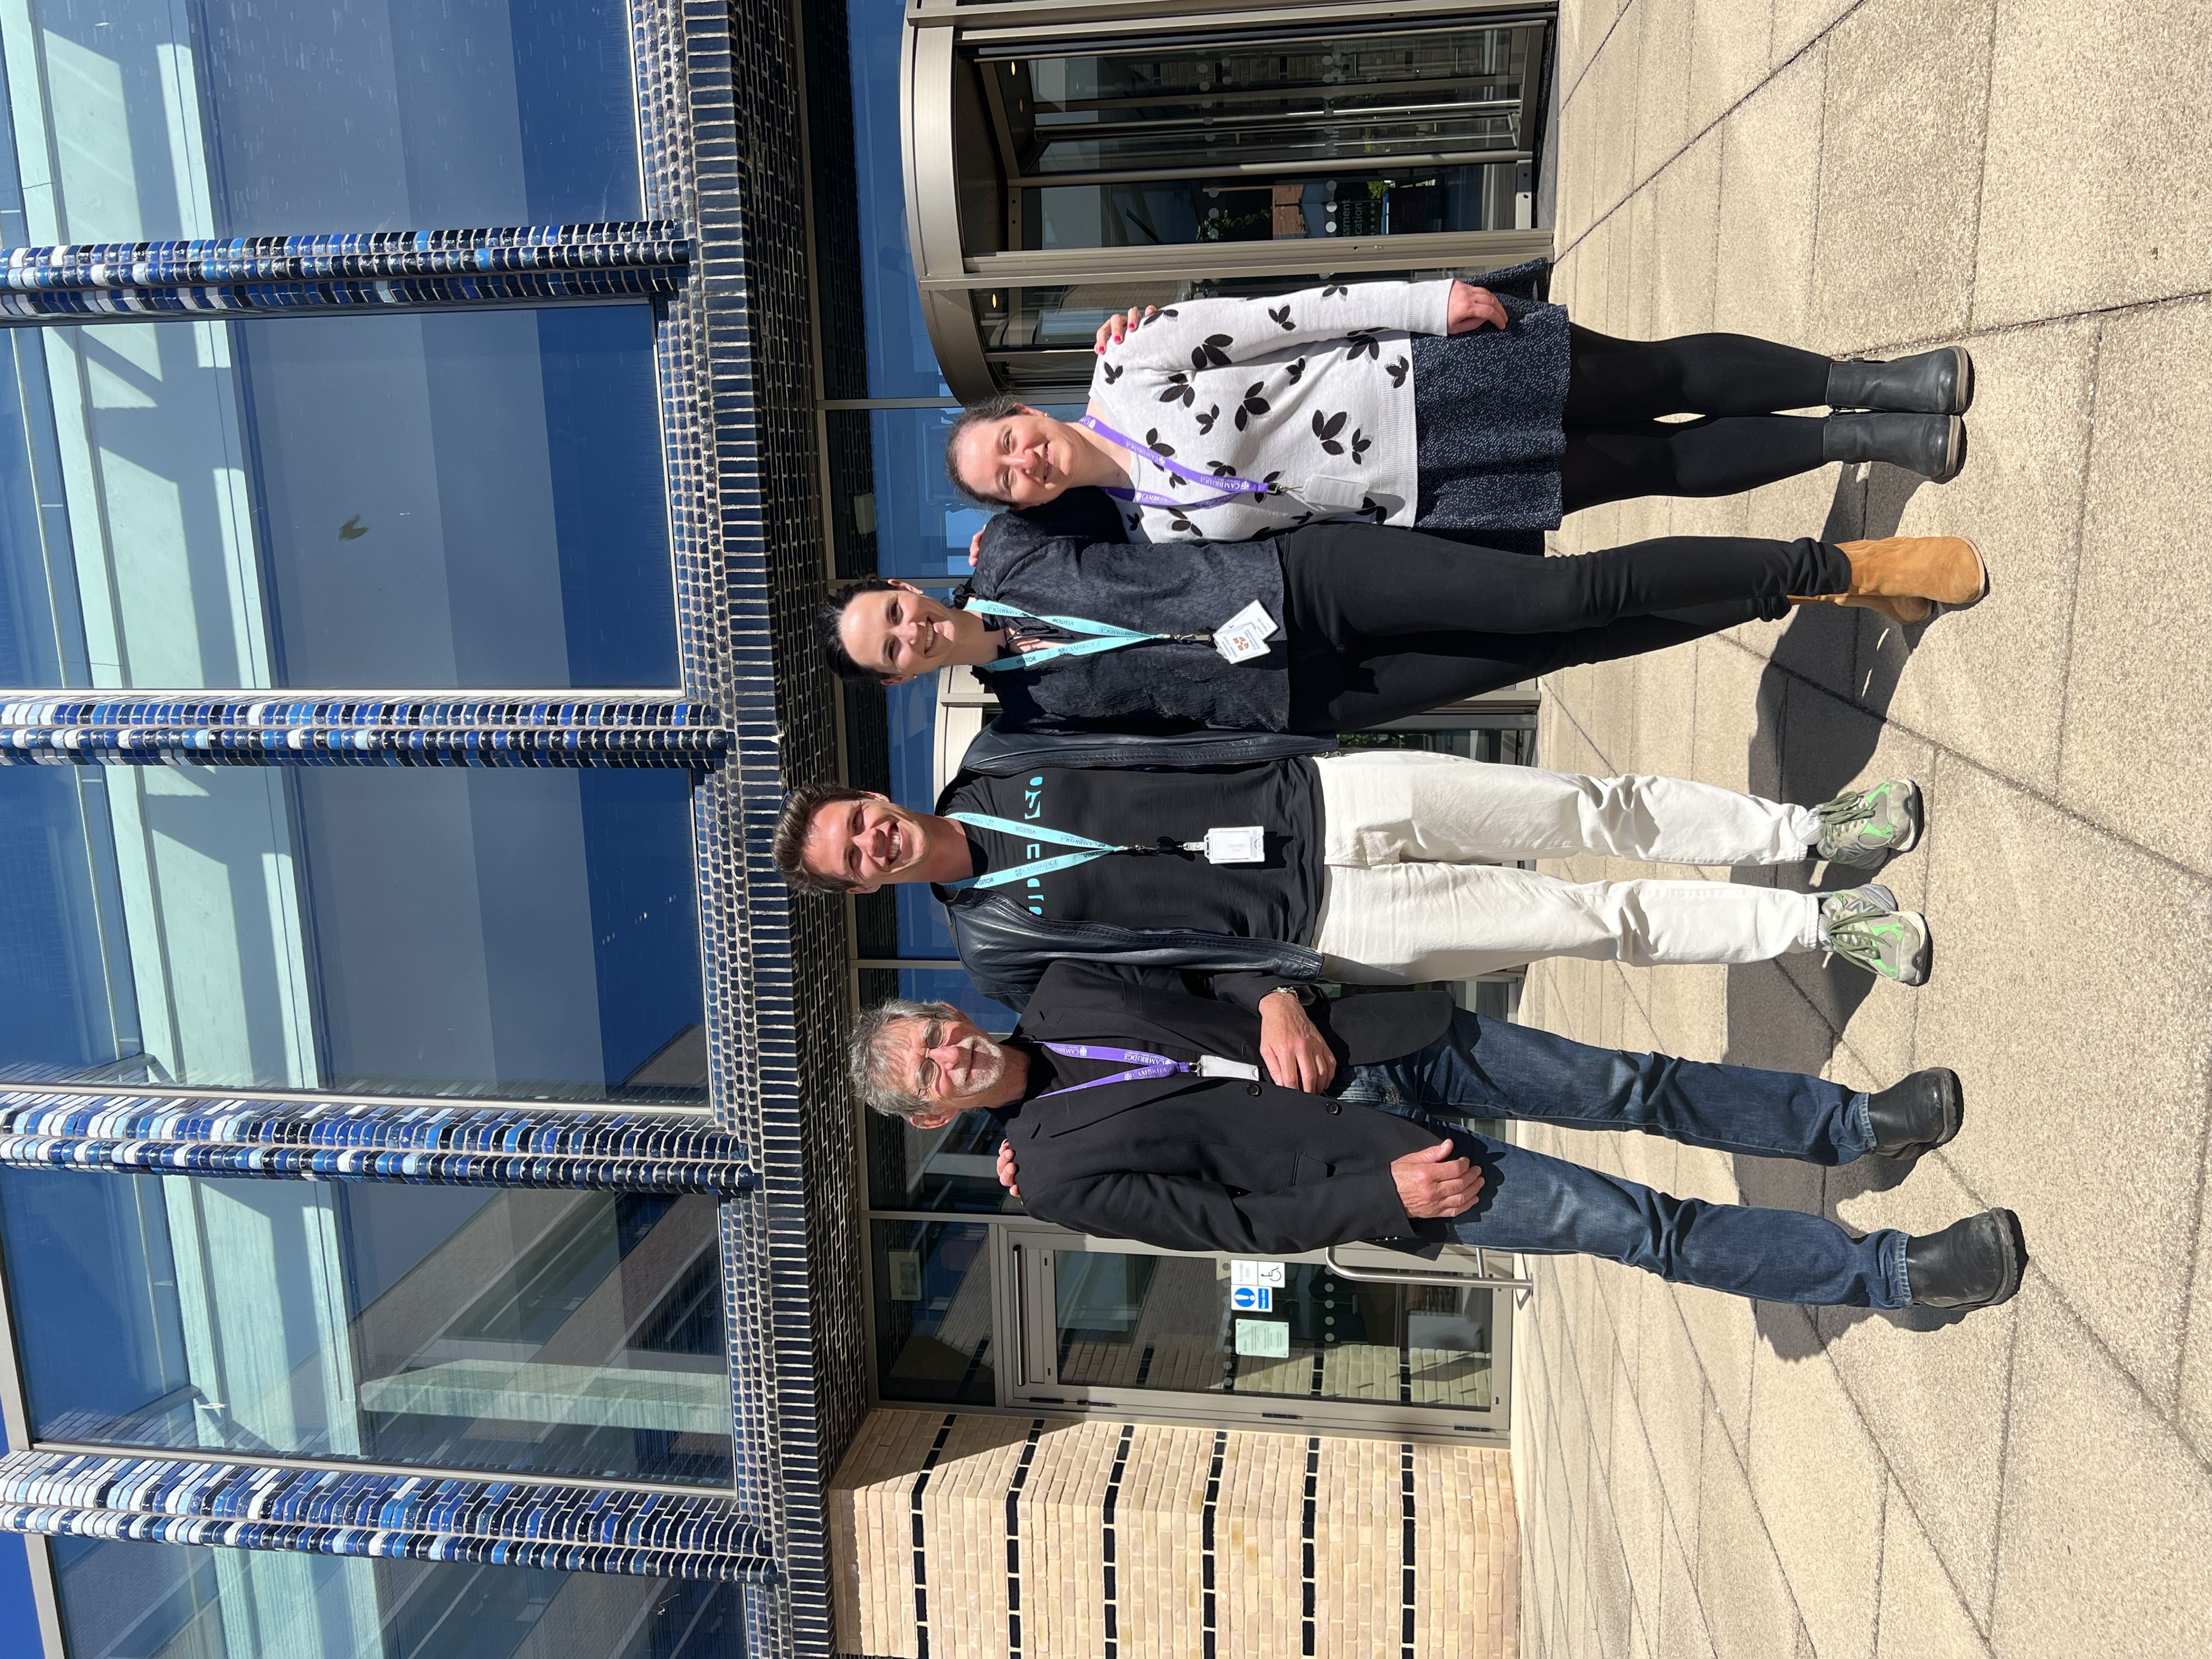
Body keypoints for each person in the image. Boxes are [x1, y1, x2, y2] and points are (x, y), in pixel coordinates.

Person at [848, 962, 2025, 1314]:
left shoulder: (1063, 992)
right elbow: (1229, 1223)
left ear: (949, 1017)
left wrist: (1273, 997)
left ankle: (1857, 1125)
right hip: (1384, 1171)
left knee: (1638, 1082)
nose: (948, 1055)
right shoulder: (1049, 1171)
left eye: (934, 1035)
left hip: (1387, 1042)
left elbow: (1217, 955)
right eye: (928, 1077)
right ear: (939, 1115)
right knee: (1638, 1225)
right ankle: (1893, 1274)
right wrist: (1385, 1202)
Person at [772, 730, 1936, 1008]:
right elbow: (1151, 997)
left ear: (875, 798)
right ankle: (1820, 927)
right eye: (858, 862)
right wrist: (1271, 995)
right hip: (1330, 920)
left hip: (1325, 793)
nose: (875, 842)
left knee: (1587, 805)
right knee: (1586, 921)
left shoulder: (1001, 752)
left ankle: (1805, 834)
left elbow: (1155, 693)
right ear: (870, 888)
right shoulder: (995, 948)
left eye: (859, 821)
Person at [942, 270, 1972, 544]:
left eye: (1008, 442)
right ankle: (1865, 442)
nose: (1023, 462)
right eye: (1007, 481)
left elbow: (1287, 315)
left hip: (1420, 379)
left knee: (1650, 380)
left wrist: (1427, 303)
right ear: (1023, 501)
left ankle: (1873, 382)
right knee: (1650, 470)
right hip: (1427, 491)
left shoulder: (1130, 365)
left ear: (1019, 414)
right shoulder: (1162, 534)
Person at [819, 527, 1984, 733]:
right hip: (1305, 699)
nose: (910, 630)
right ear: (895, 682)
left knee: (1558, 598)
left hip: (1305, 585)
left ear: (902, 590)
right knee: (1561, 650)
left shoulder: (1016, 548)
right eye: (890, 648)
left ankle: (1837, 563)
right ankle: (1792, 594)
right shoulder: (1029, 718)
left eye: (893, 611)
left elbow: (1111, 457)